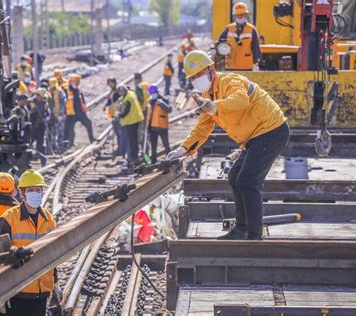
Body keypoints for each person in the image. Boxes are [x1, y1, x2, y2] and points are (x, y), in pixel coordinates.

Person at [167, 50, 289, 240]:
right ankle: (241, 229)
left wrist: (215, 106)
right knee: (234, 177)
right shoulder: (209, 94)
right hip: (255, 136)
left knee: (248, 182)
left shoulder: (230, 81)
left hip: (271, 131)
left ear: (212, 69)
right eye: (194, 77)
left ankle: (254, 235)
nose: (198, 79)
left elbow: (240, 100)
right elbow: (203, 127)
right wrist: (184, 149)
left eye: (200, 73)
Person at [0, 169, 57, 316]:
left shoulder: (49, 219)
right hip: (17, 291)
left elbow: (54, 253)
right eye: (31, 190)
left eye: (38, 189)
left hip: (42, 290)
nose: (35, 193)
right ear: (22, 193)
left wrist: (56, 284)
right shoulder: (8, 218)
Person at [217, 2, 261, 71]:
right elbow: (220, 42)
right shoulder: (229, 28)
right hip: (230, 66)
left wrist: (256, 63)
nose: (240, 16)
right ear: (235, 16)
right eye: (238, 15)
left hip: (246, 66)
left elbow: (256, 47)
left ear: (246, 15)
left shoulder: (251, 29)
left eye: (242, 15)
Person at [63, 74, 95, 147]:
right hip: (71, 114)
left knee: (88, 123)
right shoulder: (66, 90)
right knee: (68, 129)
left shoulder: (79, 91)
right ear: (71, 82)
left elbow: (82, 101)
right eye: (75, 82)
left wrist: (85, 110)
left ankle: (92, 139)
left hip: (80, 113)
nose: (77, 83)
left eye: (78, 82)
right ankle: (66, 143)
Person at [115, 85, 144, 167]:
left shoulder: (128, 99)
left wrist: (118, 115)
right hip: (134, 120)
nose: (120, 94)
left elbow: (125, 113)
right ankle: (133, 158)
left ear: (123, 91)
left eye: (120, 92)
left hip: (131, 121)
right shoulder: (130, 94)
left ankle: (133, 159)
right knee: (133, 141)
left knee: (132, 141)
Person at [147, 85, 172, 163]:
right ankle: (153, 161)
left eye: (153, 93)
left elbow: (169, 109)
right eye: (151, 93)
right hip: (153, 128)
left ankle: (170, 160)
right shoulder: (150, 101)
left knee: (166, 145)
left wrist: (162, 103)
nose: (152, 94)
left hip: (162, 127)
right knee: (153, 147)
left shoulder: (164, 99)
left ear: (157, 92)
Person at [29, 89, 50, 166]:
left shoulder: (45, 104)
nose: (41, 98)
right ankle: (26, 162)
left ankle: (43, 162)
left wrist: (45, 119)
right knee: (28, 144)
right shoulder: (30, 102)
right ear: (37, 95)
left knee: (40, 145)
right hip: (31, 127)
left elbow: (48, 114)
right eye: (40, 96)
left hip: (41, 127)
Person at [103, 78, 124, 157]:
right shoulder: (112, 92)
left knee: (119, 132)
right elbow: (110, 101)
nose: (110, 85)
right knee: (117, 132)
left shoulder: (117, 92)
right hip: (114, 114)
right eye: (108, 84)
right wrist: (105, 106)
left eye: (111, 83)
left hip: (117, 114)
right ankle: (120, 148)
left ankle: (121, 149)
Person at [48, 78, 66, 152]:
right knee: (52, 131)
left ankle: (60, 147)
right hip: (51, 115)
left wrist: (60, 114)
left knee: (60, 131)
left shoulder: (60, 92)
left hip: (59, 115)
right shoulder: (48, 92)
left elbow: (63, 103)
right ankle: (53, 147)